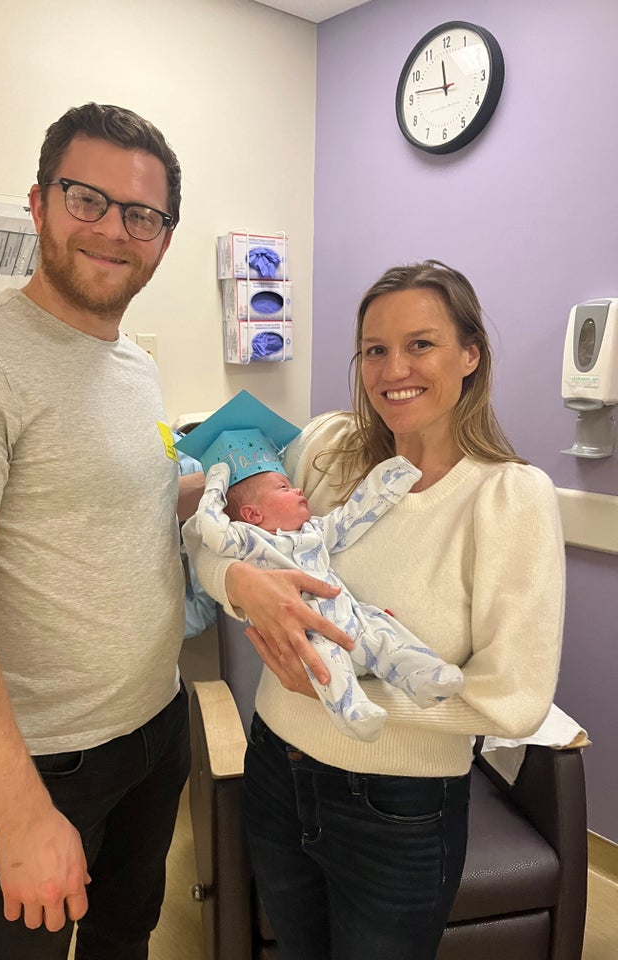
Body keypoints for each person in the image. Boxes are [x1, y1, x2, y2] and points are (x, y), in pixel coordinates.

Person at [0, 103, 343, 960]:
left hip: (155, 728)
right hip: (46, 763)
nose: (114, 230)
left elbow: (125, 498)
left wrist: (232, 501)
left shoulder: (132, 364)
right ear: (38, 203)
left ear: (164, 239)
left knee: (124, 936)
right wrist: (23, 815)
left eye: (142, 214)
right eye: (86, 199)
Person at [183, 260, 565, 960]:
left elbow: (517, 700)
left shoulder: (508, 499)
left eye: (421, 344)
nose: (394, 369)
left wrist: (350, 695)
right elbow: (209, 544)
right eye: (375, 349)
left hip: (400, 809)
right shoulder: (326, 453)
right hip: (273, 774)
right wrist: (245, 584)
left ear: (470, 355)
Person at [180, 391, 464, 741]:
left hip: (350, 616)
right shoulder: (248, 541)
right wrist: (216, 484)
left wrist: (389, 481)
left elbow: (350, 518)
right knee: (327, 659)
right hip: (311, 632)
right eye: (284, 487)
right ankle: (352, 710)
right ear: (254, 514)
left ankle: (425, 676)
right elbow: (206, 531)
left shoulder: (313, 531)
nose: (299, 490)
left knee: (383, 631)